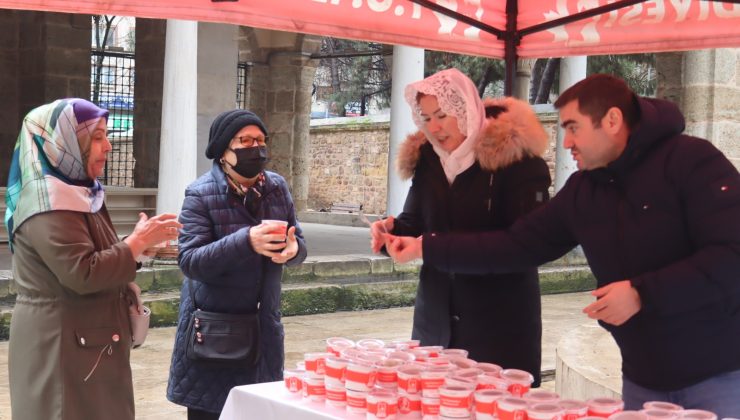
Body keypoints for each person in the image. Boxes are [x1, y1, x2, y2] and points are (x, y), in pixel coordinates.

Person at [386, 74, 740, 416]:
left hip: (719, 372)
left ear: (612, 120)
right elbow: (516, 245)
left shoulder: (692, 161)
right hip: (643, 375)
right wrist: (426, 248)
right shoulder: (584, 191)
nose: (566, 142)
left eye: (573, 127)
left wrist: (641, 293)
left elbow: (731, 255)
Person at [370, 68, 551, 384]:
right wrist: (393, 233)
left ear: (465, 109)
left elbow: (525, 246)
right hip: (436, 325)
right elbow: (416, 221)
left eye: (442, 115)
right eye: (426, 118)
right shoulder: (428, 158)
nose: (435, 127)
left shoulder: (517, 161)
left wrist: (429, 247)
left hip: (497, 327)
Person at [5, 98, 181, 420]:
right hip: (59, 345)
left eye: (106, 135)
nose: (109, 146)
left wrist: (137, 249)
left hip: (87, 342)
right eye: (97, 137)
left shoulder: (79, 192)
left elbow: (96, 255)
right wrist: (136, 242)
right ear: (65, 143)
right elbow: (82, 273)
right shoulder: (49, 202)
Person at [166, 109, 308, 419]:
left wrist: (293, 250)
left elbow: (299, 242)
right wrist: (247, 241)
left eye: (260, 140)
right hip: (215, 334)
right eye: (245, 140)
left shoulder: (276, 187)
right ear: (223, 152)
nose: (256, 148)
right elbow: (190, 261)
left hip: (264, 328)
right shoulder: (200, 194)